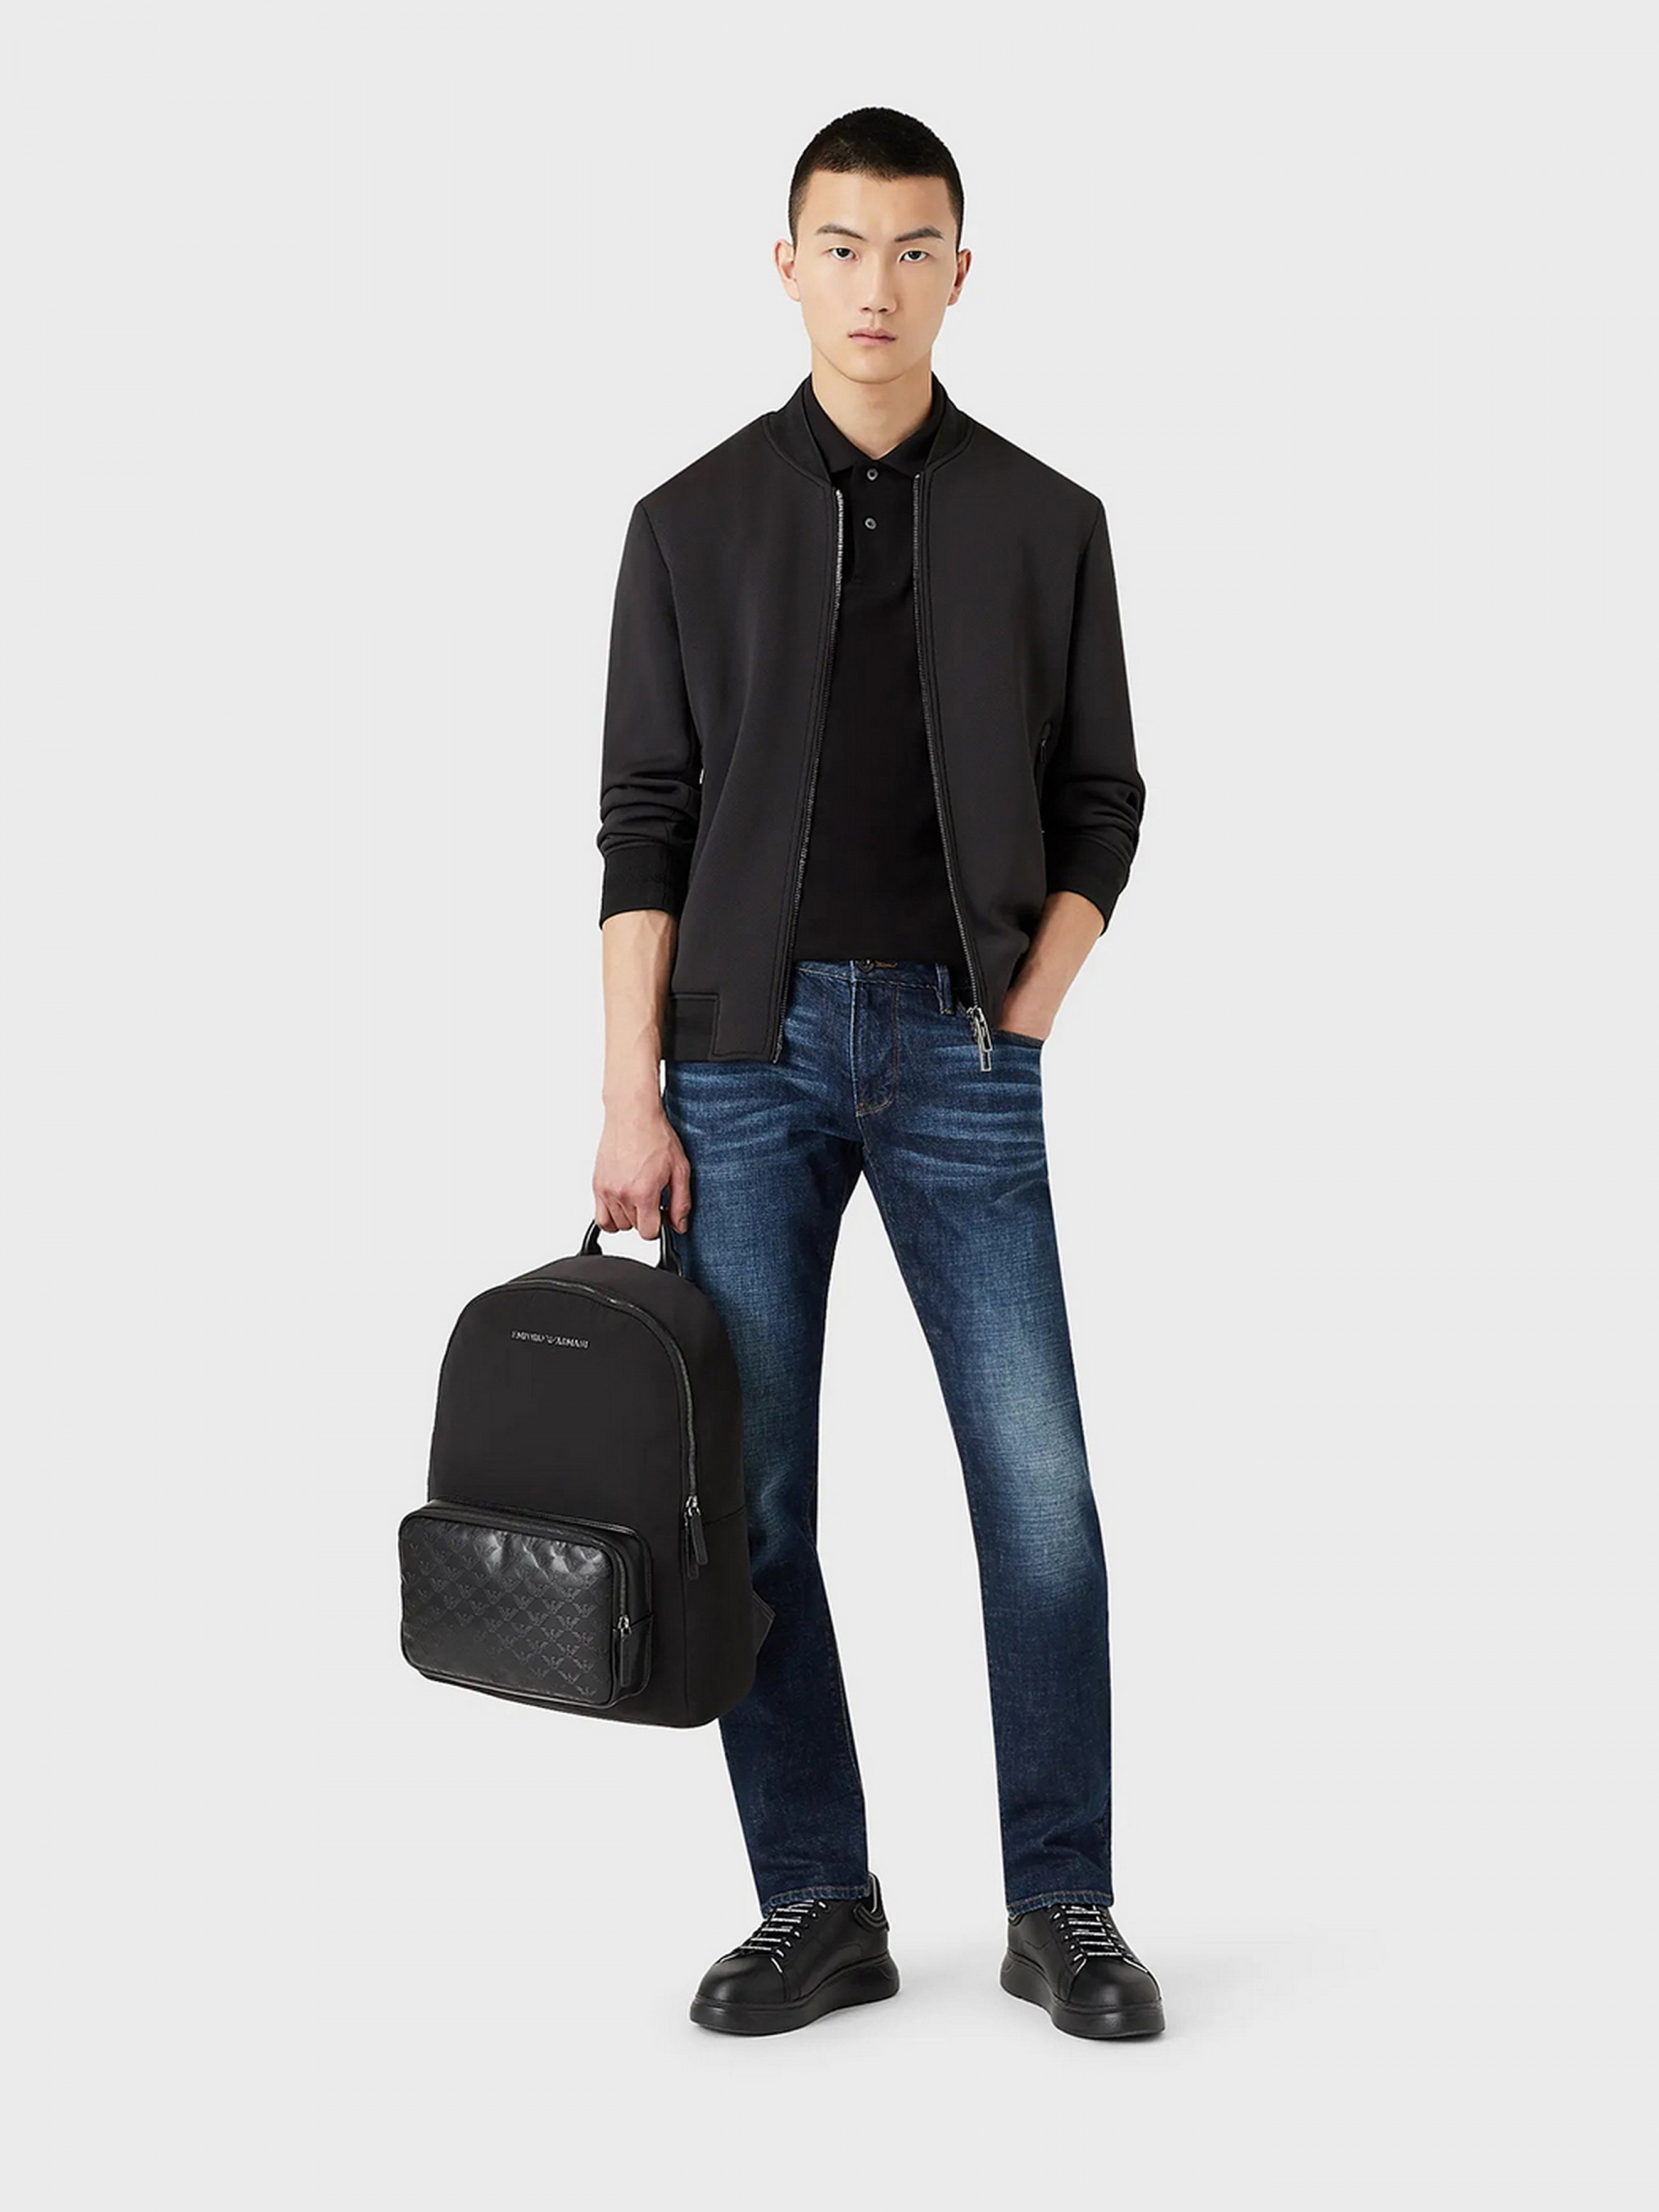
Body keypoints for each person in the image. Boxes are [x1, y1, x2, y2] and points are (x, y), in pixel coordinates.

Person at [591, 107, 1163, 2042]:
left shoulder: (1045, 523)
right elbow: (642, 824)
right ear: (786, 268)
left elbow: (1104, 799)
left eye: (912, 250)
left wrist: (1025, 1010)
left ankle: (1060, 1903)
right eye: (840, 248)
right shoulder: (685, 524)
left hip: (958, 1047)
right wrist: (631, 1094)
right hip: (734, 1070)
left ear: (958, 274)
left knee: (1037, 1494)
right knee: (747, 1510)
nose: (874, 287)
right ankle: (815, 1901)